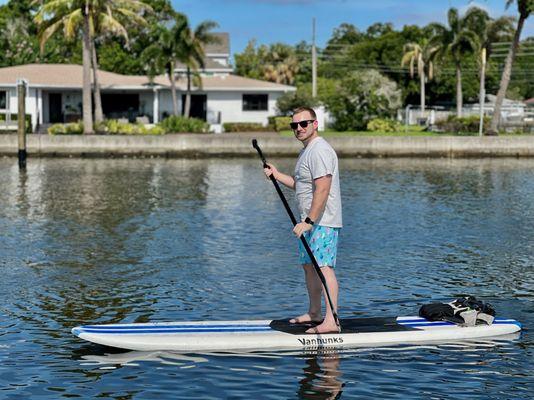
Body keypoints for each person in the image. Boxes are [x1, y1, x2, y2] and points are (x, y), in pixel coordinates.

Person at [264, 107, 342, 334]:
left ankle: (332, 320)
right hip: (308, 221)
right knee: (309, 267)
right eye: (294, 125)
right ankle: (315, 313)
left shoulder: (320, 150)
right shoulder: (306, 152)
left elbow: (323, 188)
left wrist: (309, 220)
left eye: (303, 123)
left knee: (323, 267)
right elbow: (303, 186)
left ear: (315, 124)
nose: (298, 128)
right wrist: (276, 175)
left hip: (321, 221)